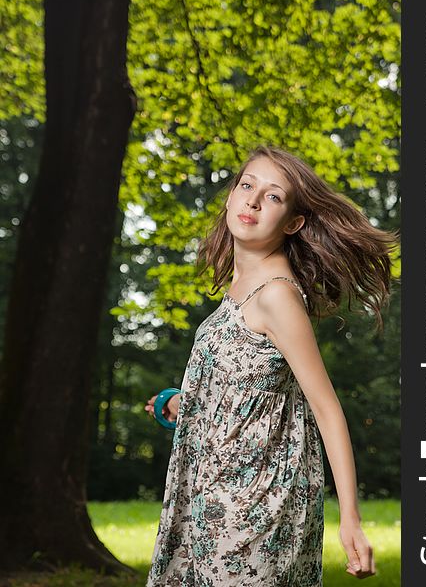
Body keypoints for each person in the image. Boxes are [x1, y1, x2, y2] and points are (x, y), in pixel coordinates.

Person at [145, 145, 399, 586]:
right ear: (230, 196)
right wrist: (177, 404)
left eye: (274, 196)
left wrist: (351, 519)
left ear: (294, 222)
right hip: (209, 500)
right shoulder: (239, 285)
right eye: (247, 185)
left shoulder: (277, 295)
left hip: (254, 514)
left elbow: (326, 409)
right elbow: (252, 392)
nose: (253, 200)